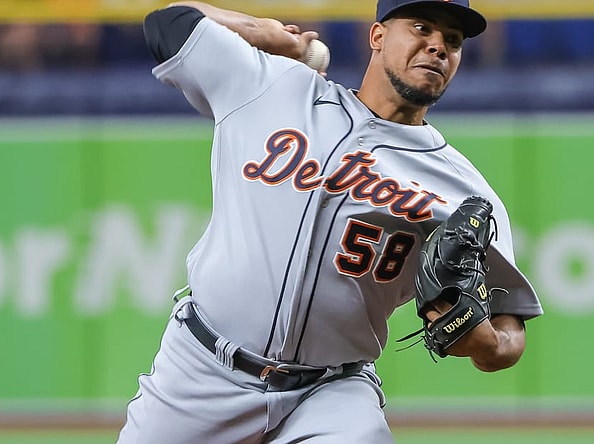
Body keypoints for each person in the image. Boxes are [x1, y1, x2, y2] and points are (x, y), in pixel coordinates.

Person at [117, 1, 543, 442]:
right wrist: (264, 32)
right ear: (377, 36)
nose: (437, 46)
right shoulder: (273, 86)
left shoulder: (461, 191)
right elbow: (169, 22)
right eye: (421, 27)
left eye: (452, 41)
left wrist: (487, 343)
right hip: (202, 371)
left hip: (330, 391)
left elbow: (511, 329)